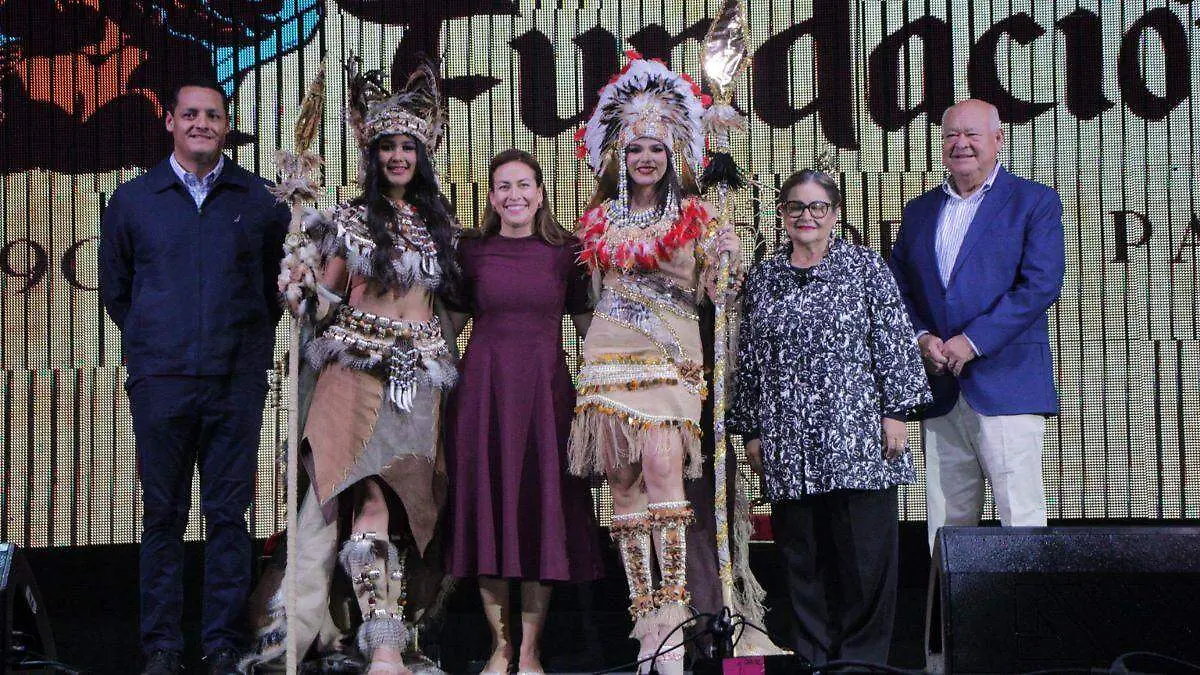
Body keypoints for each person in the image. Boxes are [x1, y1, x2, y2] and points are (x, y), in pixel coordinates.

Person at [241, 60, 460, 675]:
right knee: (367, 499)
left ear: (422, 153)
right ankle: (383, 646)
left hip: (416, 383)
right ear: (373, 153)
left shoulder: (438, 225)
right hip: (355, 379)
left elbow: (448, 304)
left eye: (407, 146)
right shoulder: (349, 219)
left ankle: (387, 636)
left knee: (406, 501)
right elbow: (323, 303)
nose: (398, 156)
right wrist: (300, 284)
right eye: (387, 146)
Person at [98, 80, 289, 675]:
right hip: (162, 382)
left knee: (229, 518)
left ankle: (222, 645)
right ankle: (161, 646)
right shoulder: (133, 200)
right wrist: (157, 344)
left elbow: (274, 292)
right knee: (163, 516)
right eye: (190, 114)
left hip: (235, 382)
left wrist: (241, 348)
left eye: (212, 114)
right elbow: (117, 292)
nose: (201, 123)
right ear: (170, 122)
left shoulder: (261, 200)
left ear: (226, 124)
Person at [568, 54, 741, 675]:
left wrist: (727, 257)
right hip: (608, 364)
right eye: (636, 147)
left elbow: (719, 295)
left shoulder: (699, 217)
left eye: (657, 148)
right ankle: (646, 627)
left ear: (674, 154)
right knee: (623, 490)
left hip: (671, 364)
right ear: (620, 152)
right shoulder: (599, 219)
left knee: (665, 477)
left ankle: (673, 620)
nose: (646, 158)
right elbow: (590, 294)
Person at [728, 169, 930, 665]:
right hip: (788, 439)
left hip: (856, 437)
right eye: (796, 206)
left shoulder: (865, 266)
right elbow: (749, 357)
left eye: (818, 206)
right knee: (803, 558)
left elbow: (893, 341)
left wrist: (896, 412)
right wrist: (751, 430)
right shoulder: (765, 277)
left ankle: (860, 662)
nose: (807, 216)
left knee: (864, 561)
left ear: (836, 214)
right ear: (781, 214)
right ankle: (814, 657)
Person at [443, 149, 605, 674]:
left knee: (542, 514)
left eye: (523, 185)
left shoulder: (568, 252)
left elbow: (590, 330)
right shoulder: (470, 250)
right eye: (503, 187)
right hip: (482, 397)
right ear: (492, 198)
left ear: (540, 193)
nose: (514, 195)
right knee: (487, 513)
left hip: (546, 398)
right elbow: (447, 328)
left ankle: (531, 651)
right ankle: (501, 648)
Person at [888, 99, 1065, 551]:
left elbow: (1040, 285)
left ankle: (1024, 601)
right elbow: (898, 287)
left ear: (998, 140)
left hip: (1007, 384)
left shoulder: (1033, 201)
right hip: (941, 387)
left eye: (972, 134)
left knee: (1019, 517)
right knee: (947, 526)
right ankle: (951, 603)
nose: (960, 144)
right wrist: (921, 336)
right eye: (951, 135)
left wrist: (973, 341)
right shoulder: (919, 210)